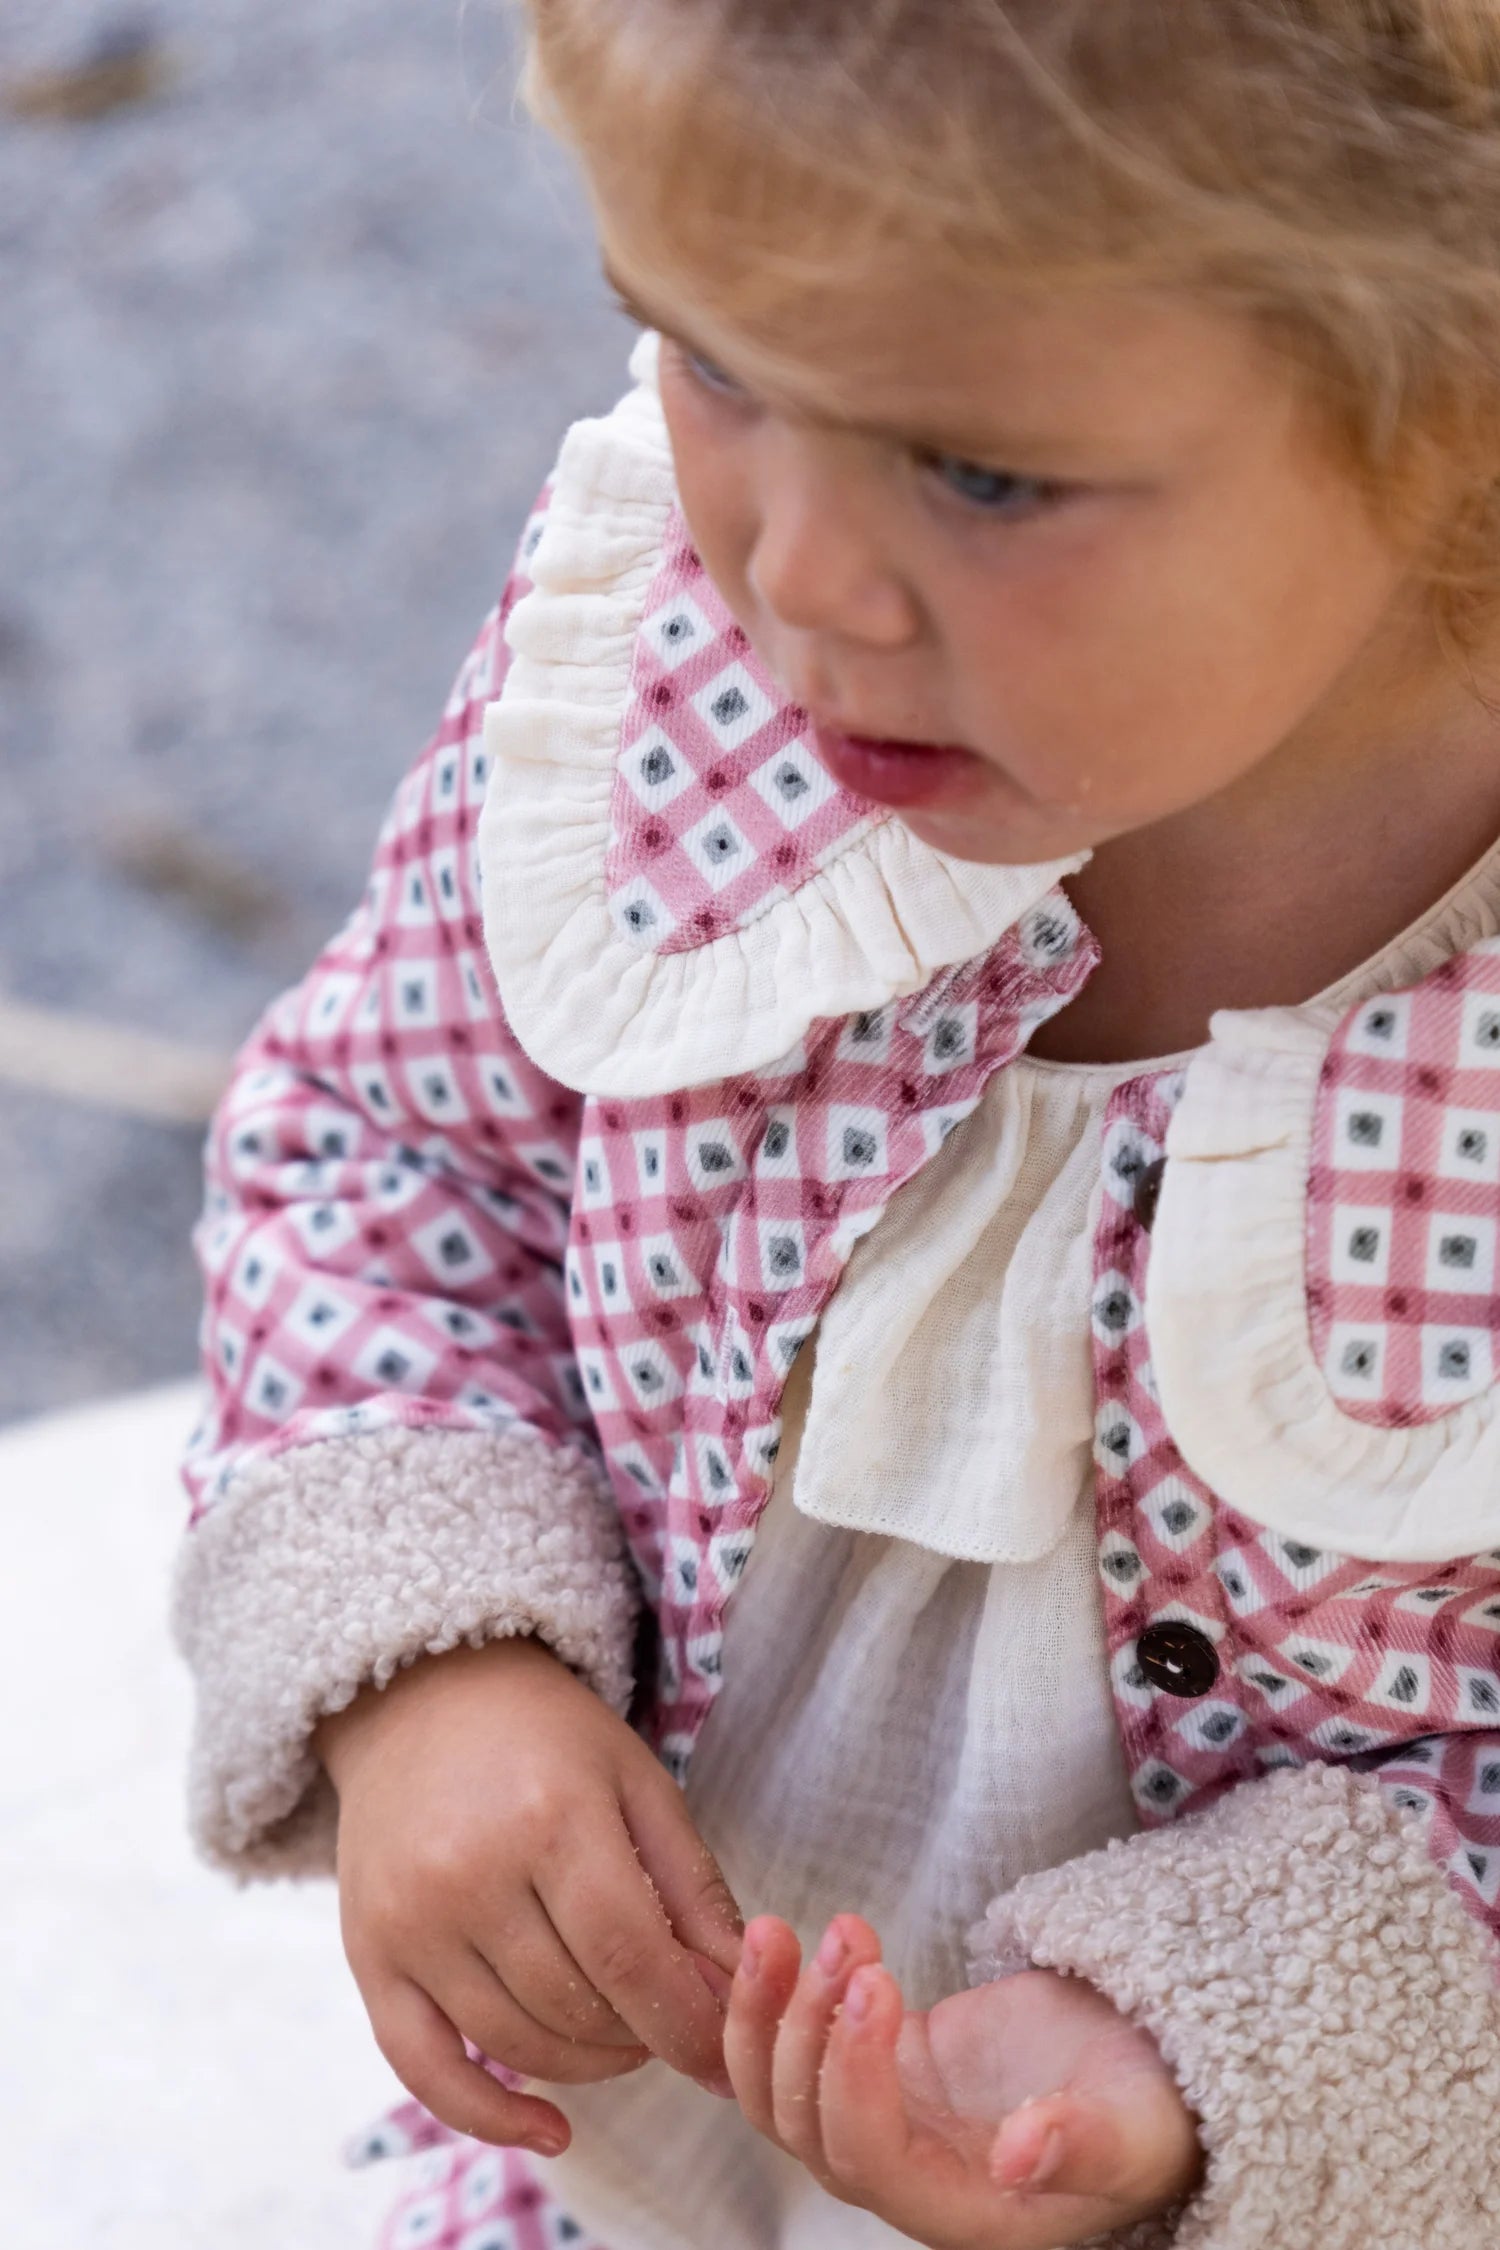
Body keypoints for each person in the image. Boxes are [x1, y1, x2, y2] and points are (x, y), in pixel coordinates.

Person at [173, 4, 1500, 2244]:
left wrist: (1213, 2046)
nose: (795, 566)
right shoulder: (688, 661)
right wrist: (438, 1665)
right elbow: (390, 1149)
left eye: (978, 477)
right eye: (709, 362)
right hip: (655, 2162)